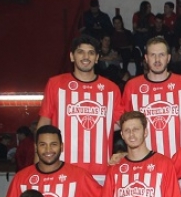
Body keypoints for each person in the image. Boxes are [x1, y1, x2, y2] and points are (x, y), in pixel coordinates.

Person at [39, 35, 123, 179]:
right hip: (63, 169)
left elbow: (120, 124)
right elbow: (44, 123)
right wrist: (38, 162)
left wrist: (125, 153)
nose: (86, 57)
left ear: (97, 58)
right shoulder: (56, 84)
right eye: (80, 52)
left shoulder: (111, 89)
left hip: (100, 171)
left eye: (91, 53)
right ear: (72, 56)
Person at [121, 36, 181, 155]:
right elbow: (124, 118)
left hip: (179, 156)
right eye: (153, 55)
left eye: (161, 55)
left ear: (168, 58)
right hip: (144, 158)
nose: (157, 59)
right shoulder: (133, 86)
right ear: (146, 58)